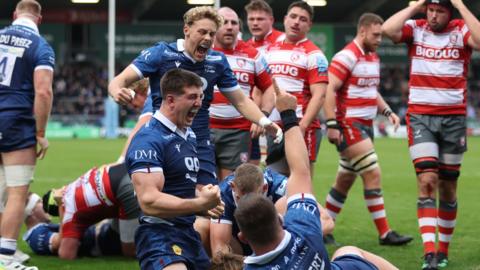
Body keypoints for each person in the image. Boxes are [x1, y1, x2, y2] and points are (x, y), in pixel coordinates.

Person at [234, 79, 399, 270]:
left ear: (242, 237)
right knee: (348, 251)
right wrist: (288, 114)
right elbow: (301, 171)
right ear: (280, 221)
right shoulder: (304, 229)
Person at [110, 6, 282, 187]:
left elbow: (240, 100)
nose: (207, 38)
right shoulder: (161, 54)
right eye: (202, 32)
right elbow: (119, 80)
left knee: (209, 197)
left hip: (199, 140)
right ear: (187, 30)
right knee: (161, 195)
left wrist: (264, 122)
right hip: (161, 139)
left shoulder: (217, 62)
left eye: (211, 34)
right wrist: (117, 91)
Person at [382, 0, 480, 268]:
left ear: (450, 13)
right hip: (420, 117)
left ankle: (443, 250)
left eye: (440, 11)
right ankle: (429, 253)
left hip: (453, 119)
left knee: (448, 188)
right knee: (427, 181)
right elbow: (388, 30)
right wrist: (415, 7)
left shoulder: (461, 29)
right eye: (431, 10)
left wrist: (461, 6)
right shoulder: (416, 27)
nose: (434, 16)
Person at [323, 13, 413, 247]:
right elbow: (329, 89)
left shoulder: (372, 56)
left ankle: (322, 227)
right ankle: (385, 233)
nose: (379, 39)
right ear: (362, 31)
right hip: (349, 125)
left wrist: (387, 111)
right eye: (376, 34)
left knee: (344, 181)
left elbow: (372, 91)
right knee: (372, 173)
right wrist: (332, 124)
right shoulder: (346, 56)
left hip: (366, 125)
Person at [126, 69, 225, 270]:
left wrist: (204, 199)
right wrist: (198, 203)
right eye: (192, 97)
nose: (199, 103)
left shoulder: (189, 135)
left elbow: (179, 186)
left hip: (188, 233)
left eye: (201, 97)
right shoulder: (148, 140)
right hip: (158, 235)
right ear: (170, 100)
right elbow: (149, 201)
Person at [0, 1, 54, 269]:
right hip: (15, 121)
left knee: (0, 191)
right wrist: (41, 132)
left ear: (14, 15)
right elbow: (43, 91)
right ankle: (5, 258)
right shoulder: (40, 46)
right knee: (16, 193)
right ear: (39, 19)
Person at [209, 163, 334, 258]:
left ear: (264, 188)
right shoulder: (223, 193)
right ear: (232, 186)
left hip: (277, 245)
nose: (246, 206)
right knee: (202, 226)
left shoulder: (281, 186)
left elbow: (326, 221)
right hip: (240, 248)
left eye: (252, 199)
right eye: (239, 198)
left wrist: (294, 242)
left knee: (285, 203)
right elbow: (220, 249)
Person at [264, 1, 328, 176]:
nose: (296, 22)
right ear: (285, 19)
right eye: (293, 17)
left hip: (300, 125)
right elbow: (263, 87)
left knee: (300, 183)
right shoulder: (270, 50)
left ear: (309, 25)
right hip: (274, 127)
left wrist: (302, 126)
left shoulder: (315, 55)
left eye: (303, 19)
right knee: (273, 183)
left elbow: (320, 96)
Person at [210, 7, 275, 180]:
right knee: (204, 186)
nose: (230, 27)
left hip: (238, 132)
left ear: (239, 27)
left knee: (230, 186)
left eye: (234, 23)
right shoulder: (203, 52)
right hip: (203, 128)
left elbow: (269, 88)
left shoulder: (253, 55)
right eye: (224, 22)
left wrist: (263, 115)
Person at [39, 162, 139, 260]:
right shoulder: (76, 183)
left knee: (129, 251)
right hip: (131, 168)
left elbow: (66, 255)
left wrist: (62, 212)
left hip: (126, 189)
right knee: (120, 230)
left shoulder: (68, 212)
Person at [22, 193, 126, 257]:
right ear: (31, 212)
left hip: (102, 233)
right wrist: (61, 206)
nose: (44, 206)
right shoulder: (36, 235)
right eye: (39, 202)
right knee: (126, 201)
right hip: (102, 240)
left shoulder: (36, 232)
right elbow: (60, 242)